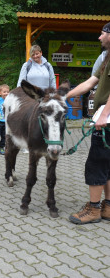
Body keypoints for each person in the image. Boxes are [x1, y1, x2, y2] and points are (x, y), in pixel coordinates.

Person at [67, 22, 110, 225]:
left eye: (102, 34)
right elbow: (90, 82)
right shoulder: (106, 59)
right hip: (106, 117)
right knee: (107, 164)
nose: (99, 38)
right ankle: (108, 207)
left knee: (96, 162)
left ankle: (93, 210)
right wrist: (66, 95)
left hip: (106, 119)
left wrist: (103, 116)